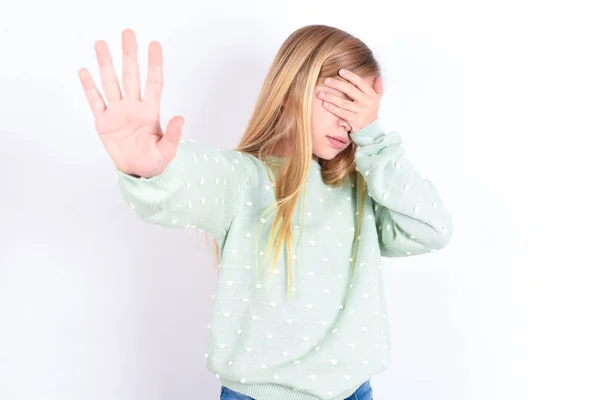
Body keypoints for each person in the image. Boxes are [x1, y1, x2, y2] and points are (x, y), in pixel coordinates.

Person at [78, 25, 453, 400]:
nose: (347, 121)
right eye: (338, 100)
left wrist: (374, 138)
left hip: (354, 392)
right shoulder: (244, 179)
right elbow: (187, 183)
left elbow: (432, 228)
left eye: (360, 111)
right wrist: (147, 167)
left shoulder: (365, 190)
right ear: (291, 92)